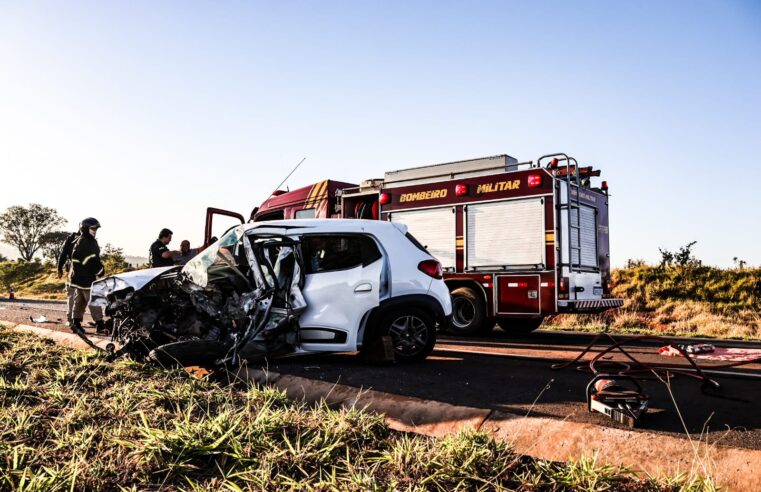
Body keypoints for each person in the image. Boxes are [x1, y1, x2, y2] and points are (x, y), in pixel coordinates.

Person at [68, 217, 107, 334]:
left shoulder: (81, 240)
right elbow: (90, 260)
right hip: (86, 278)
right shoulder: (86, 242)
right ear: (85, 229)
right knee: (94, 300)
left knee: (79, 301)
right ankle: (100, 325)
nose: (95, 230)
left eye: (96, 228)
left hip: (77, 277)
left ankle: (76, 323)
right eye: (93, 228)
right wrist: (100, 271)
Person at [57, 227, 81, 326]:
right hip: (75, 270)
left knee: (79, 296)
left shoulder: (89, 239)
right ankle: (72, 319)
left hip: (82, 271)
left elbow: (63, 254)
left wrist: (59, 268)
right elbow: (63, 254)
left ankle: (74, 319)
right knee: (73, 295)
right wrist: (59, 268)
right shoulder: (72, 239)